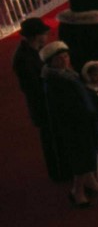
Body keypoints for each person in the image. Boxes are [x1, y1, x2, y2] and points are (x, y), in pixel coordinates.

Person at [40, 41, 98, 208]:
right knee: (81, 159)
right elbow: (66, 106)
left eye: (65, 56)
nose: (64, 60)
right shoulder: (55, 80)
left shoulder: (66, 74)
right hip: (73, 125)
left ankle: (90, 181)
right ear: (51, 61)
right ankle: (77, 191)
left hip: (82, 121)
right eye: (59, 58)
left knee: (88, 155)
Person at [12, 17, 58, 179]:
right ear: (36, 36)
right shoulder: (24, 59)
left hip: (46, 101)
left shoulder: (35, 51)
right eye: (44, 33)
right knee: (49, 138)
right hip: (42, 104)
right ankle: (57, 172)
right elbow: (32, 87)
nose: (46, 36)